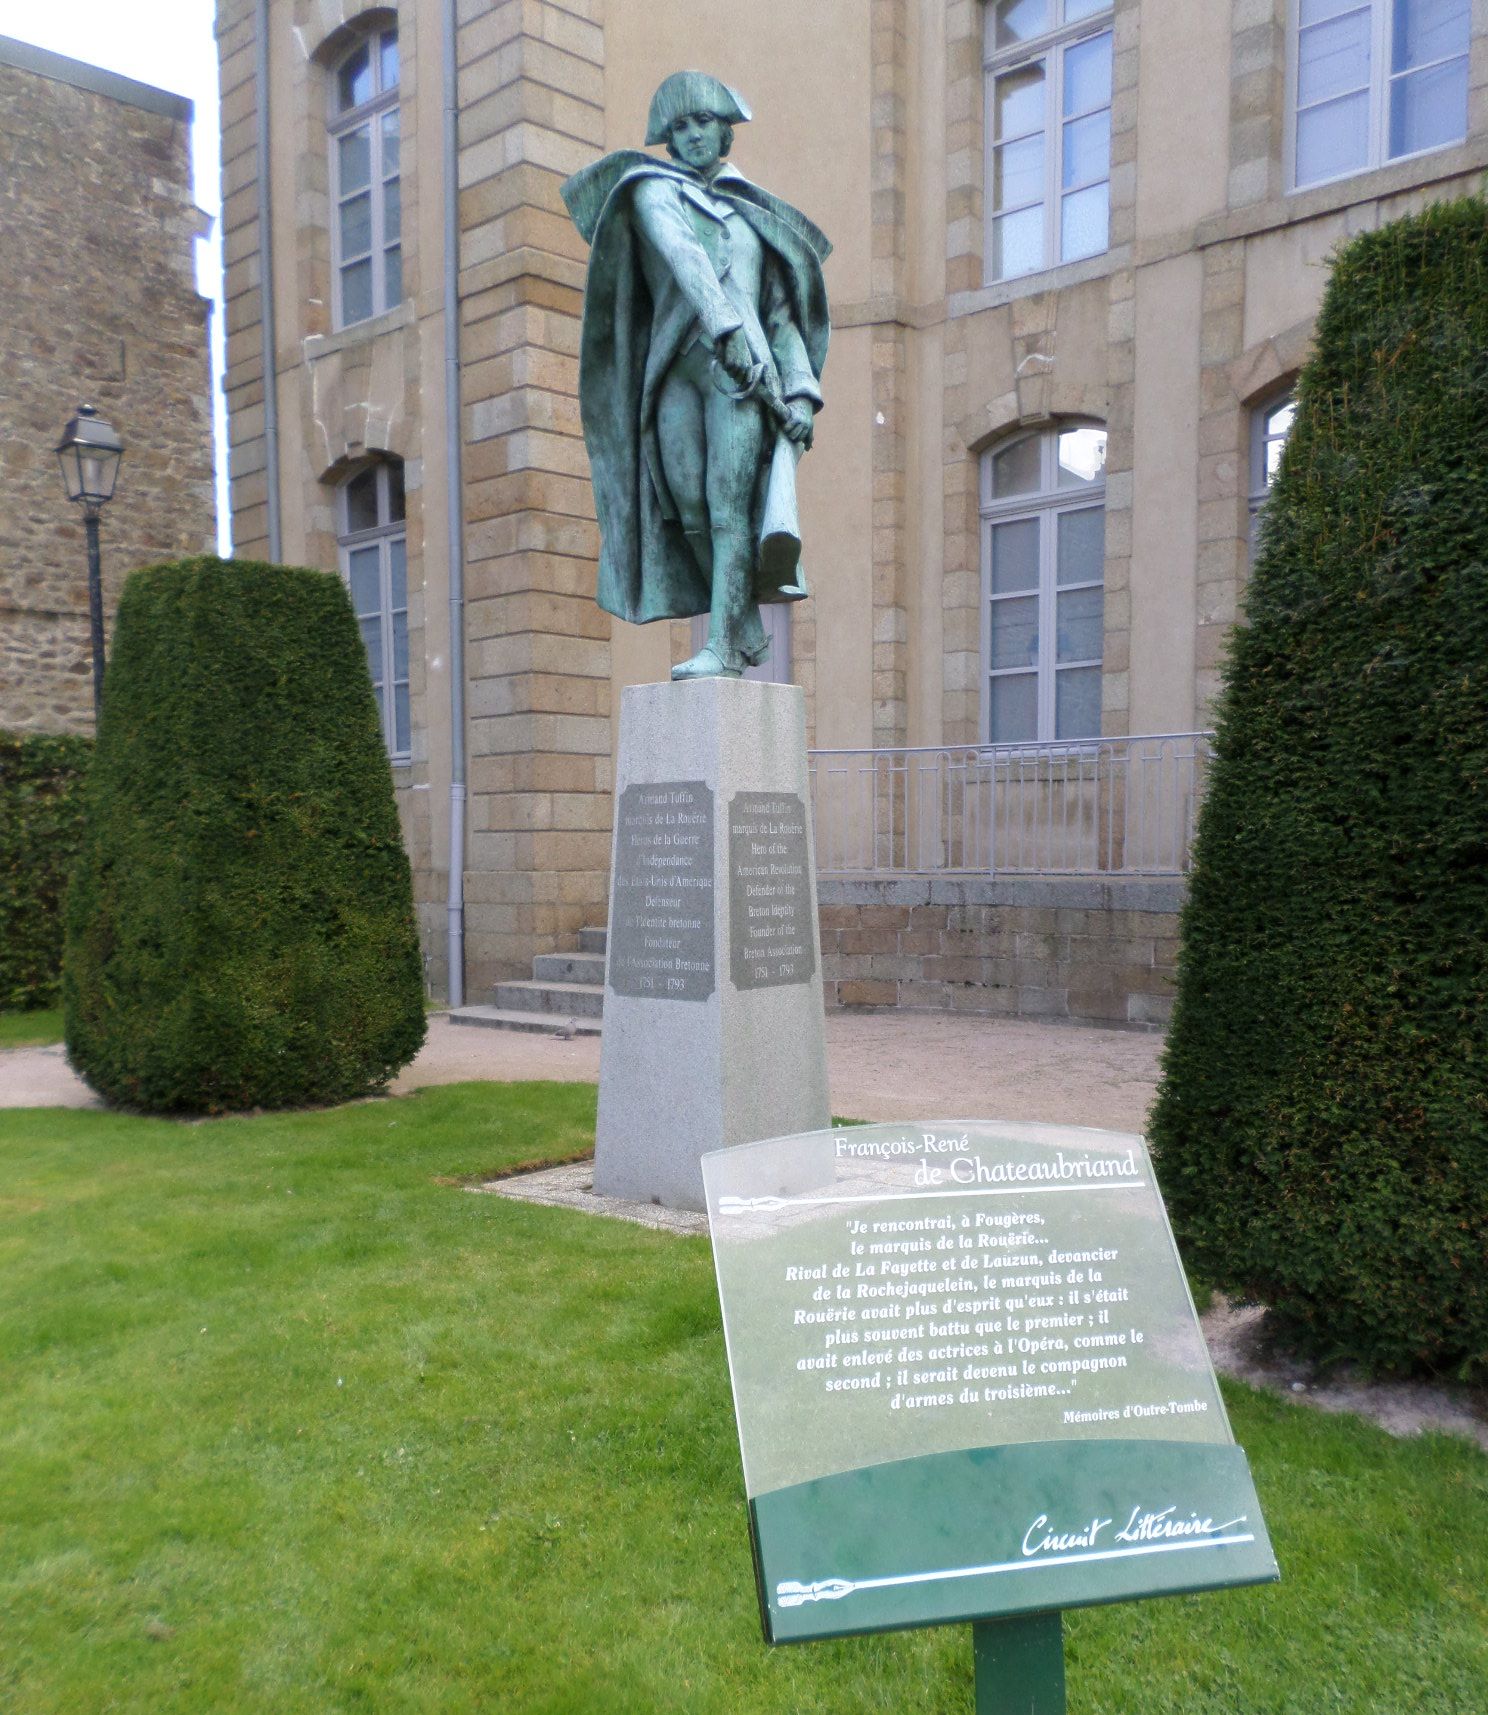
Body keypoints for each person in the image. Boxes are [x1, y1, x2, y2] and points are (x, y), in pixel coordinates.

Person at [562, 71, 831, 679]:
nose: (691, 136)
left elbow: (783, 320)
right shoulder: (650, 190)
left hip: (743, 381)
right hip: (675, 370)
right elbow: (681, 255)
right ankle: (737, 624)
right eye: (679, 127)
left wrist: (801, 395)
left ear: (725, 130)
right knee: (687, 510)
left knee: (725, 505)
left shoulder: (752, 215)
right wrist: (724, 327)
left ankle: (721, 641)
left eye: (702, 122)